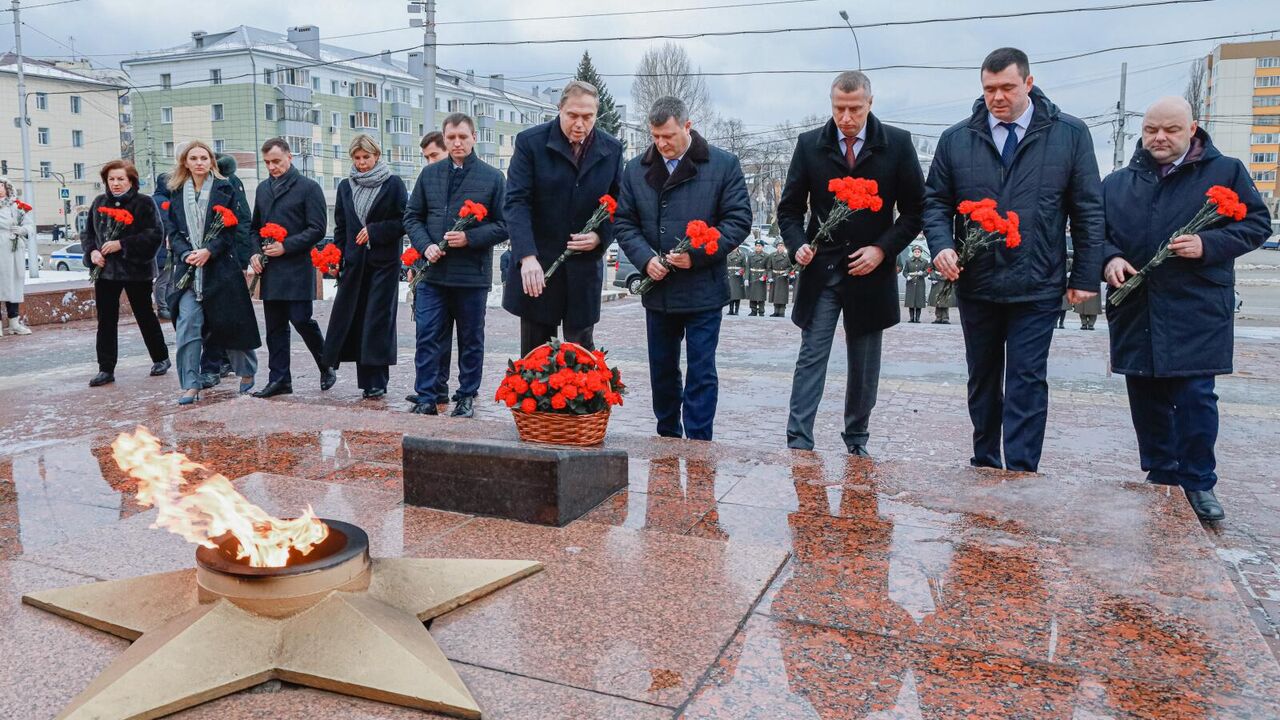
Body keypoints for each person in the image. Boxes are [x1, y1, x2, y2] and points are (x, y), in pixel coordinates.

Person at [923, 47, 1104, 472]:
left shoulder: (1069, 135)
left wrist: (1086, 275)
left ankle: (1022, 471)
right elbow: (934, 202)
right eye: (989, 89)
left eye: (1007, 87)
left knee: (1026, 378)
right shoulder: (957, 139)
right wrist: (941, 245)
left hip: (1037, 281)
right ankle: (985, 462)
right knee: (982, 378)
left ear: (1028, 83)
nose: (997, 97)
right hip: (978, 281)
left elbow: (1088, 209)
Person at [1103, 96, 1271, 521]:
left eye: (1171, 130)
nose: (1159, 138)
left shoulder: (1226, 170)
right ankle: (1161, 476)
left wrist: (1207, 244)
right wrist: (1108, 258)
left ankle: (1198, 483)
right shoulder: (1118, 182)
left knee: (1195, 397)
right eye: (1151, 130)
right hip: (1138, 307)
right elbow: (1096, 231)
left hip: (1197, 306)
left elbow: (1255, 224)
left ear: (1192, 128)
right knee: (1146, 396)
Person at [779, 70, 925, 455]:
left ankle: (857, 437)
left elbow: (915, 212)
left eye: (854, 109)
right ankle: (798, 439)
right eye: (838, 108)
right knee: (811, 355)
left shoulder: (897, 144)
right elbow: (790, 209)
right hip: (822, 271)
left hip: (870, 273)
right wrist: (797, 245)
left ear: (869, 104)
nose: (845, 118)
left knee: (864, 365)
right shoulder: (811, 144)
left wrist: (882, 249)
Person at [614, 96, 751, 441]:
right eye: (655, 137)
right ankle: (667, 436)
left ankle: (700, 442)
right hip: (658, 289)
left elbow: (738, 221)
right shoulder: (635, 169)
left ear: (687, 127)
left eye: (669, 136)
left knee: (701, 370)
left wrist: (699, 254)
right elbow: (624, 222)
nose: (661, 145)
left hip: (703, 288)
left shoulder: (723, 164)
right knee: (662, 369)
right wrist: (646, 259)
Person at [503, 80, 624, 357]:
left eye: (588, 117)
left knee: (580, 356)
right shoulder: (530, 143)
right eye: (572, 115)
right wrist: (527, 256)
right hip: (539, 267)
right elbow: (516, 202)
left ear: (597, 115)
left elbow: (619, 205)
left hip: (583, 269)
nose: (579, 123)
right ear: (559, 109)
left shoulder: (612, 149)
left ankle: (582, 402)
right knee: (536, 358)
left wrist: (600, 236)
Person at [403, 112, 508, 417]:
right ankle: (427, 395)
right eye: (451, 138)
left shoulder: (492, 177)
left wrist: (470, 238)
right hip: (433, 273)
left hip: (470, 276)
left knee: (470, 338)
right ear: (444, 139)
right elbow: (412, 216)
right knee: (428, 334)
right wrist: (426, 246)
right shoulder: (430, 175)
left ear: (474, 137)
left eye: (463, 136)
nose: (457, 142)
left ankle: (466, 394)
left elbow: (504, 225)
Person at [166, 140, 260, 404]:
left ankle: (246, 371)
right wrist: (186, 253)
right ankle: (190, 384)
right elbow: (172, 230)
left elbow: (233, 227)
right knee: (188, 326)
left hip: (220, 267)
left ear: (211, 162)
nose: (199, 163)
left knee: (230, 323)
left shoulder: (225, 187)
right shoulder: (175, 191)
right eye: (193, 158)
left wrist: (209, 250)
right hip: (188, 270)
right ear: (185, 162)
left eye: (204, 158)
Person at [321, 134, 407, 399]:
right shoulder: (346, 186)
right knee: (357, 320)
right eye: (357, 159)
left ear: (376, 156)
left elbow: (405, 221)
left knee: (377, 321)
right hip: (355, 264)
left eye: (366, 158)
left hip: (383, 264)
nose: (361, 164)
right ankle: (365, 382)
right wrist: (337, 256)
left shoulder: (393, 184)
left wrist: (375, 231)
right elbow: (341, 226)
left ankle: (378, 380)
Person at [249, 137, 334, 398]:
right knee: (274, 326)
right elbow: (254, 228)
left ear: (289, 157)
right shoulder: (263, 189)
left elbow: (318, 229)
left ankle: (326, 363)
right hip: (272, 269)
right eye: (267, 163)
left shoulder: (309, 188)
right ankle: (279, 379)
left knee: (301, 319)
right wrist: (254, 252)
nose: (272, 167)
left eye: (276, 161)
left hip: (297, 266)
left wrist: (287, 246)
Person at [82, 160, 170, 386]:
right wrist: (92, 252)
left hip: (136, 270)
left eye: (121, 179)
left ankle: (160, 357)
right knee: (106, 320)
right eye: (111, 179)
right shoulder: (99, 202)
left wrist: (122, 244)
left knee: (144, 315)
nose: (116, 184)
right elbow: (88, 234)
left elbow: (154, 235)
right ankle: (106, 368)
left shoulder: (144, 203)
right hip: (105, 271)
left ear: (131, 180)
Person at [406, 130, 453, 409]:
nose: (430, 162)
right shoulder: (427, 180)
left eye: (434, 155)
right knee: (428, 332)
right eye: (426, 157)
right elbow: (413, 219)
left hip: (459, 271)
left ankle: (439, 388)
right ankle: (430, 389)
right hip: (428, 267)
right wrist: (416, 260)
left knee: (444, 333)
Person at [199, 153, 252, 387]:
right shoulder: (195, 187)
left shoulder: (229, 184)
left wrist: (242, 257)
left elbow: (240, 221)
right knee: (209, 316)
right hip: (201, 259)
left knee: (225, 313)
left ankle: (221, 362)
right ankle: (218, 362)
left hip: (225, 257)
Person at [0, 178, 36, 336]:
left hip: (14, 250)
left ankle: (14, 323)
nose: (0, 189)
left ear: (7, 188)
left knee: (14, 283)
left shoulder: (17, 206)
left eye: (2, 186)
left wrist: (21, 230)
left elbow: (30, 226)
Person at [151, 172, 175, 321]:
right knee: (164, 279)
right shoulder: (161, 201)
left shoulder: (162, 199)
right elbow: (166, 224)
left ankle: (169, 305)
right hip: (163, 246)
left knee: (170, 278)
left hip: (165, 246)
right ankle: (163, 307)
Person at [902, 245, 928, 323]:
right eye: (915, 252)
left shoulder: (925, 261)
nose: (917, 253)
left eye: (918, 252)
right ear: (913, 252)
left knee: (919, 301)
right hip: (911, 283)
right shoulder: (908, 261)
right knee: (911, 301)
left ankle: (917, 318)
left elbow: (928, 271)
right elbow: (905, 271)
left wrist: (923, 273)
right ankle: (911, 318)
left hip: (920, 283)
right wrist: (907, 276)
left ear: (921, 253)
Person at [767, 239, 792, 317]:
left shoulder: (787, 256)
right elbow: (769, 268)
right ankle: (776, 311)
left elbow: (790, 267)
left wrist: (786, 273)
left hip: (783, 278)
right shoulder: (772, 255)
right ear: (776, 247)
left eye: (782, 246)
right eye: (779, 246)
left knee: (782, 295)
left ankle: (781, 312)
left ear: (784, 247)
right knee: (775, 295)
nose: (780, 247)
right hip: (775, 277)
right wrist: (770, 277)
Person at [746, 237, 768, 316]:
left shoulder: (766, 256)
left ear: (762, 247)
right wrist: (746, 278)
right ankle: (753, 310)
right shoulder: (750, 255)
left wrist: (764, 276)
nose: (758, 247)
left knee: (761, 295)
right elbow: (747, 267)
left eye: (759, 246)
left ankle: (761, 311)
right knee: (752, 294)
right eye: (757, 245)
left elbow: (767, 268)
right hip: (752, 276)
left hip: (761, 277)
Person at [725, 244, 746, 315]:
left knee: (737, 294)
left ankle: (736, 310)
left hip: (738, 277)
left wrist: (740, 272)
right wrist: (726, 274)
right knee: (731, 294)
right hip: (730, 275)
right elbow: (724, 265)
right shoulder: (727, 254)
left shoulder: (742, 255)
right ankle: (731, 310)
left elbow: (744, 266)